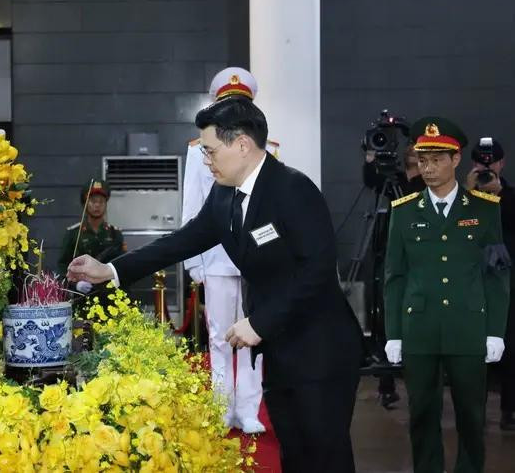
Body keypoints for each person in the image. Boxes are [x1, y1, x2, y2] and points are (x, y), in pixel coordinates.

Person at [68, 95, 363, 473]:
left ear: (242, 144)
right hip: (280, 349)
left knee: (326, 456)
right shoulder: (224, 196)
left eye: (210, 151)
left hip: (322, 348)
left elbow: (317, 270)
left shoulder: (293, 189)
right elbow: (180, 242)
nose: (206, 162)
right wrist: (109, 270)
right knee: (294, 453)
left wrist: (260, 322)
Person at [384, 117, 510, 473]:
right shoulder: (404, 212)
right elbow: (394, 276)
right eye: (423, 160)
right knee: (422, 414)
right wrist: (394, 333)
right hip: (420, 327)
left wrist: (495, 329)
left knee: (472, 416)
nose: (428, 167)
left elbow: (497, 272)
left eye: (438, 159)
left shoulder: (485, 209)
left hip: (468, 325)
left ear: (456, 160)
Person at [183, 67, 265, 433]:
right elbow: (192, 207)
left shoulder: (267, 150)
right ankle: (220, 407)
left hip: (255, 259)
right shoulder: (199, 150)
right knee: (218, 334)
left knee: (254, 331)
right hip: (215, 256)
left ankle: (248, 409)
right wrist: (192, 264)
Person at [363, 144, 427, 409]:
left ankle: (420, 381)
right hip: (389, 252)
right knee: (386, 316)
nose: (411, 154)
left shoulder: (426, 183)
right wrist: (369, 159)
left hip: (419, 255)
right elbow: (371, 182)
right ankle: (386, 385)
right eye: (409, 151)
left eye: (417, 151)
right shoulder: (394, 180)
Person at [465, 137, 515, 431]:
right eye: (481, 164)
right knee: (473, 349)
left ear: (502, 163)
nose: (487, 169)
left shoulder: (510, 196)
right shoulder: (463, 196)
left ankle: (510, 409)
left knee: (512, 347)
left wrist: (499, 197)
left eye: (491, 164)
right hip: (473, 284)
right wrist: (469, 194)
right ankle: (474, 409)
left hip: (507, 284)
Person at [57, 179, 126, 298]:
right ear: (85, 203)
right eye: (93, 201)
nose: (97, 205)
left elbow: (122, 266)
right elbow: (63, 267)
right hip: (82, 296)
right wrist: (76, 285)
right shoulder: (74, 233)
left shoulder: (115, 234)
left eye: (101, 201)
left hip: (110, 296)